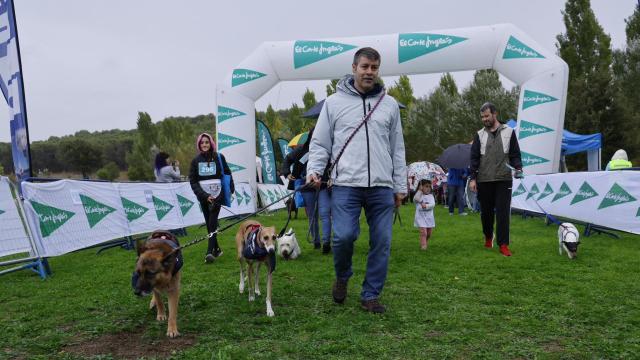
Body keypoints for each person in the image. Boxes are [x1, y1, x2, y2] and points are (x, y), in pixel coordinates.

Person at [306, 47, 407, 314]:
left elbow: (397, 148)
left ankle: (370, 295)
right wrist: (314, 171)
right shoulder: (333, 103)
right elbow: (319, 143)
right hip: (346, 184)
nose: (369, 72)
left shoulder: (390, 104)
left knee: (383, 241)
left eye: (374, 67)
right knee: (343, 237)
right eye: (365, 67)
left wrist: (400, 186)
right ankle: (342, 276)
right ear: (354, 68)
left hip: (382, 187)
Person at [469, 102, 522, 257]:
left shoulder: (509, 132)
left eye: (487, 116)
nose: (484, 119)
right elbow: (474, 159)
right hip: (484, 180)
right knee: (486, 213)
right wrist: (473, 178)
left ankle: (503, 244)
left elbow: (515, 154)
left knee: (503, 213)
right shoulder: (479, 135)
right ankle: (488, 236)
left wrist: (518, 167)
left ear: (495, 114)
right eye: (482, 117)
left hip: (503, 179)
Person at [281, 126, 333, 254]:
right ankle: (316, 241)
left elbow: (335, 165)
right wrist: (287, 172)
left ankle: (326, 243)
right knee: (312, 216)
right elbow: (287, 159)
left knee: (325, 213)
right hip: (307, 187)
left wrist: (332, 178)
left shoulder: (329, 150)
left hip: (323, 186)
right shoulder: (301, 150)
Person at [189, 133, 235, 263]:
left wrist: (231, 188)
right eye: (202, 142)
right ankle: (217, 249)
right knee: (209, 224)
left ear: (211, 144)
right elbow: (193, 181)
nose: (204, 144)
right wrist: (204, 196)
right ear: (199, 144)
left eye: (207, 142)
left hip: (218, 195)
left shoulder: (219, 157)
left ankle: (209, 253)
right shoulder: (195, 161)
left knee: (212, 221)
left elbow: (227, 172)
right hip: (203, 197)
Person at [413, 179, 435, 250]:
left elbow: (432, 205)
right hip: (420, 218)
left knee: (429, 234)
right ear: (421, 187)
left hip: (429, 218)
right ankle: (423, 246)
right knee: (423, 233)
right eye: (426, 186)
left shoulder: (431, 196)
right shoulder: (418, 196)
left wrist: (426, 206)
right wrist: (419, 191)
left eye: (429, 186)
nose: (428, 188)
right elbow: (415, 200)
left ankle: (424, 241)